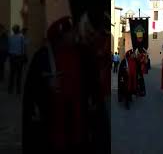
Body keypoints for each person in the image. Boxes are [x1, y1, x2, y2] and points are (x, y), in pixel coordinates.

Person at [22, 16, 100, 154]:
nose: (74, 34)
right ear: (59, 36)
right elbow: (32, 88)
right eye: (69, 32)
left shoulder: (82, 54)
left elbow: (92, 80)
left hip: (78, 117)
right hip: (54, 118)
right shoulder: (43, 56)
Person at [8, 25, 25, 95]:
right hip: (19, 57)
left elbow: (9, 47)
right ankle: (18, 90)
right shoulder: (21, 37)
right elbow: (23, 48)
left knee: (12, 73)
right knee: (19, 74)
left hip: (12, 56)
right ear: (18, 30)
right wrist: (23, 55)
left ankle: (10, 89)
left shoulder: (10, 37)